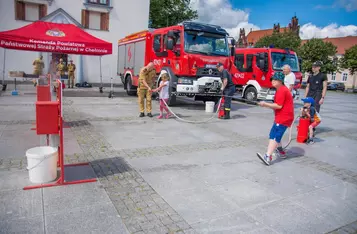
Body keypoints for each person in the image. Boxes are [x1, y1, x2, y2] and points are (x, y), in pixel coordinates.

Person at [257, 72, 294, 166]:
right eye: (272, 79)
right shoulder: (280, 90)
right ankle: (280, 151)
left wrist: (265, 104)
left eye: (275, 80)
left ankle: (268, 156)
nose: (273, 81)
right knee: (274, 134)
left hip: (284, 117)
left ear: (280, 81)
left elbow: (278, 106)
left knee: (274, 136)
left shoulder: (282, 90)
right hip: (282, 116)